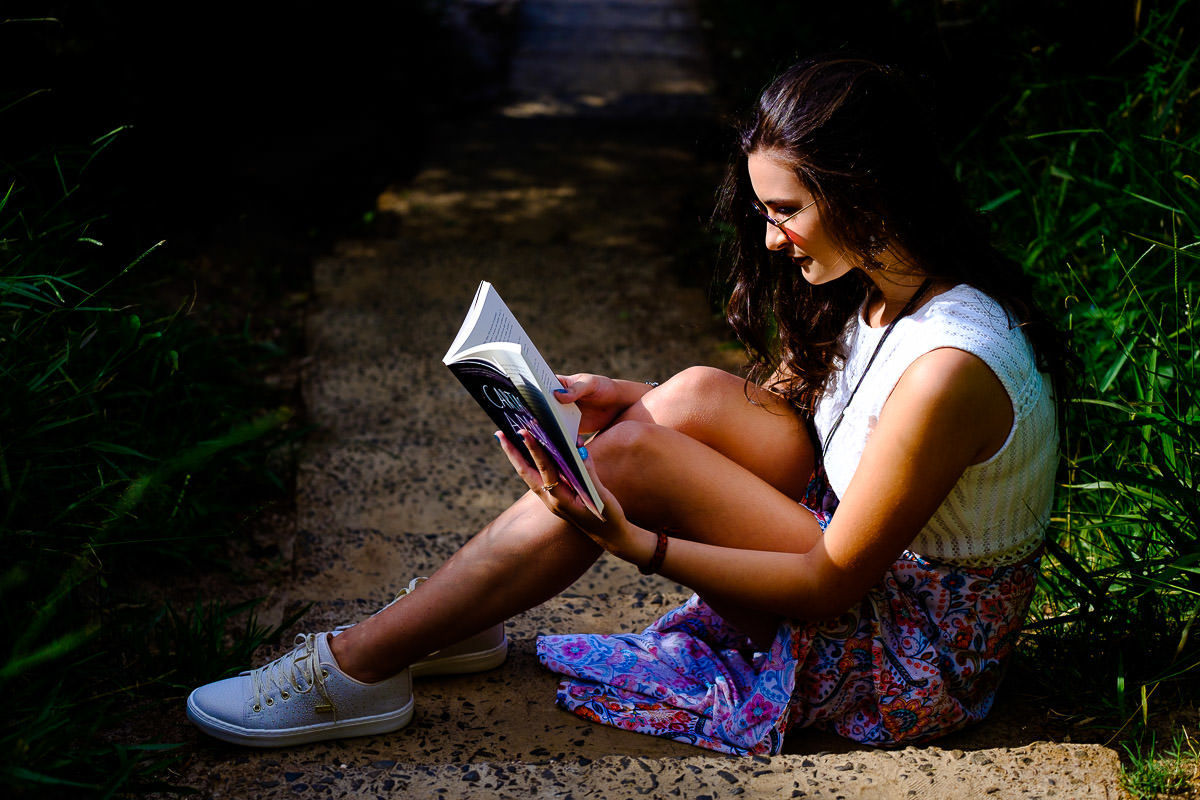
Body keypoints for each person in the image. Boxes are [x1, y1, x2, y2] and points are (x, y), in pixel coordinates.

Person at [186, 55, 1063, 755]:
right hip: (860, 556)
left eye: (786, 211)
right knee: (682, 401)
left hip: (907, 646)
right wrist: (636, 398)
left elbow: (833, 579)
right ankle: (461, 615)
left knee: (632, 462)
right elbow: (812, 433)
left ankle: (359, 668)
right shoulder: (876, 282)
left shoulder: (950, 365)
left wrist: (637, 543)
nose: (768, 237)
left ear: (865, 190)